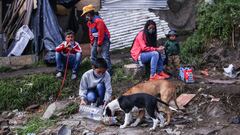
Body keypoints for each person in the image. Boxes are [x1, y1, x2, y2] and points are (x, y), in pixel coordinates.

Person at [81, 4, 112, 74]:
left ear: (89, 13)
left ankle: (108, 72)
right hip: (96, 39)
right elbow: (91, 33)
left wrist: (99, 45)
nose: (85, 16)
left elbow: (101, 34)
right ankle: (95, 71)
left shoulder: (98, 21)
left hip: (104, 40)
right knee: (92, 56)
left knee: (105, 56)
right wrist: (92, 43)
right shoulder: (89, 22)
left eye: (85, 14)